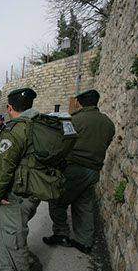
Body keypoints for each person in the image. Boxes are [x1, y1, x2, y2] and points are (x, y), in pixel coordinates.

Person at [43, 89, 115, 254]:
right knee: (84, 204)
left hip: (74, 169)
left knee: (56, 200)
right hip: (94, 170)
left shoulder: (75, 120)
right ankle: (85, 242)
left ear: (80, 102)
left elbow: (62, 143)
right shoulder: (108, 123)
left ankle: (61, 233)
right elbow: (106, 143)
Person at [0, 87, 41, 271]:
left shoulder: (16, 130)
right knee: (0, 235)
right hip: (35, 190)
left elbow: (3, 169)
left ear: (9, 108)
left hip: (17, 194)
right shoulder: (41, 125)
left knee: (14, 240)